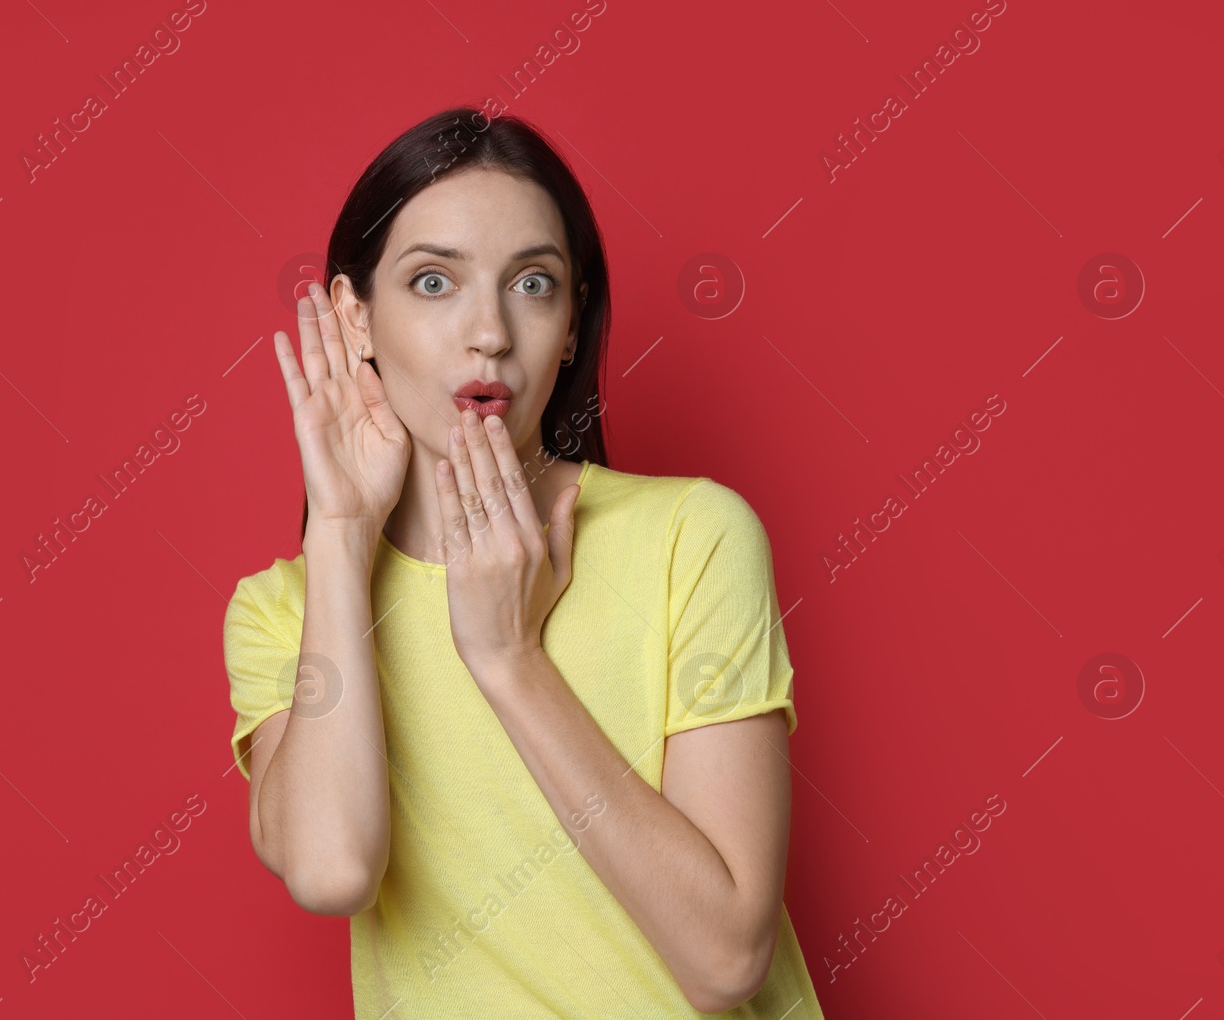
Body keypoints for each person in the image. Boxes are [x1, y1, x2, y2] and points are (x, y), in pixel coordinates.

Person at [223, 105, 825, 1018]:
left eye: (533, 284)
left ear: (574, 323)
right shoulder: (288, 611)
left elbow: (726, 956)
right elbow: (334, 868)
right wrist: (343, 537)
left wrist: (511, 659)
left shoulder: (693, 538)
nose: (490, 332)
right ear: (355, 318)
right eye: (433, 282)